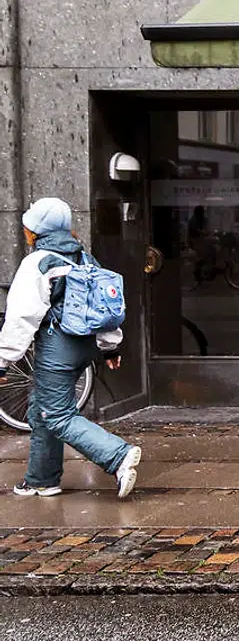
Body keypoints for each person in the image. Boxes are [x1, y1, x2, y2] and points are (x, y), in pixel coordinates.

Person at [0, 198, 141, 498]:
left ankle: (118, 456)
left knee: (57, 415)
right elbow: (104, 309)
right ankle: (41, 479)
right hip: (85, 347)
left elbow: (22, 316)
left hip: (57, 348)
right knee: (41, 409)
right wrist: (110, 349)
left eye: (27, 225)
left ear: (35, 230)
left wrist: (3, 361)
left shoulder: (38, 263)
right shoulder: (85, 259)